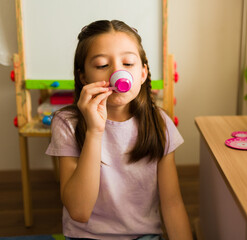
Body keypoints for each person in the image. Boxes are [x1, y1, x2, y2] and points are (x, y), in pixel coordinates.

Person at [46, 20, 193, 240]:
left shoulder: (159, 124)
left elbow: (172, 203)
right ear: (84, 77)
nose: (117, 72)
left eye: (128, 63)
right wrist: (94, 131)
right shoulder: (67, 122)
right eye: (102, 65)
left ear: (142, 74)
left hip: (143, 236)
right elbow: (78, 211)